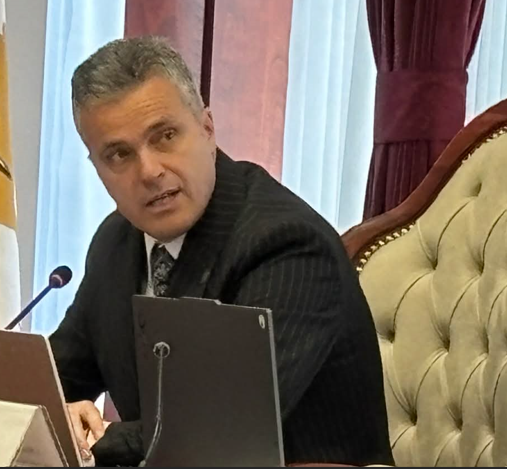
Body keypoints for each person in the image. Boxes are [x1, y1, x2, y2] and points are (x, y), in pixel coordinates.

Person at [50, 36, 394, 467]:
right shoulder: (116, 241)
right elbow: (59, 376)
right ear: (97, 168)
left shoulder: (288, 244)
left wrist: (95, 438)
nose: (150, 171)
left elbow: (221, 426)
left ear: (208, 130)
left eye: (165, 136)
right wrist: (56, 413)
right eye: (119, 154)